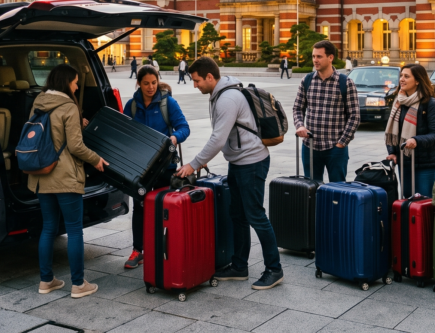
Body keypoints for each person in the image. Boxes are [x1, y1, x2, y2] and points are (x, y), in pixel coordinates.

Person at [177, 56, 284, 290]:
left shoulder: (227, 98)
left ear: (209, 77)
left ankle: (274, 270)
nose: (194, 85)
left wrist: (193, 164)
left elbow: (218, 138)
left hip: (252, 162)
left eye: (197, 81)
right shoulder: (218, 94)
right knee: (238, 215)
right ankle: (239, 266)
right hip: (238, 162)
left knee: (256, 216)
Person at [30, 64, 109, 299]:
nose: (76, 86)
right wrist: (96, 160)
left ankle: (46, 281)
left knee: (48, 228)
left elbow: (50, 132)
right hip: (64, 176)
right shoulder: (69, 106)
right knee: (74, 230)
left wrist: (78, 123)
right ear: (66, 83)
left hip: (42, 175)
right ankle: (78, 284)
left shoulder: (39, 102)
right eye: (75, 82)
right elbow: (75, 146)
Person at [122, 66, 190, 270]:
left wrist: (175, 137)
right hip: (140, 167)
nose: (150, 87)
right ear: (139, 83)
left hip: (165, 166)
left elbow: (184, 127)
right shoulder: (132, 105)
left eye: (154, 82)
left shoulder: (168, 103)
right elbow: (124, 132)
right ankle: (138, 250)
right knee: (140, 207)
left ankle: (165, 248)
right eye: (146, 83)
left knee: (164, 208)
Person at [292, 41, 359, 182]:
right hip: (310, 146)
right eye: (313, 56)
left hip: (335, 148)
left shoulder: (346, 83)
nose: (315, 60)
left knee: (337, 190)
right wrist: (300, 125)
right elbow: (298, 107)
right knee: (310, 191)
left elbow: (354, 116)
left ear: (330, 57)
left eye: (319, 56)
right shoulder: (307, 80)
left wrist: (342, 143)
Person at [383, 64, 435, 198]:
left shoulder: (430, 103)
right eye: (401, 76)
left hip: (426, 163)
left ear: (417, 80)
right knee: (407, 201)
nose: (402, 79)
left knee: (424, 203)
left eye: (406, 76)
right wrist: (392, 152)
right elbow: (393, 133)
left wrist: (416, 140)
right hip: (405, 162)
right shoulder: (399, 102)